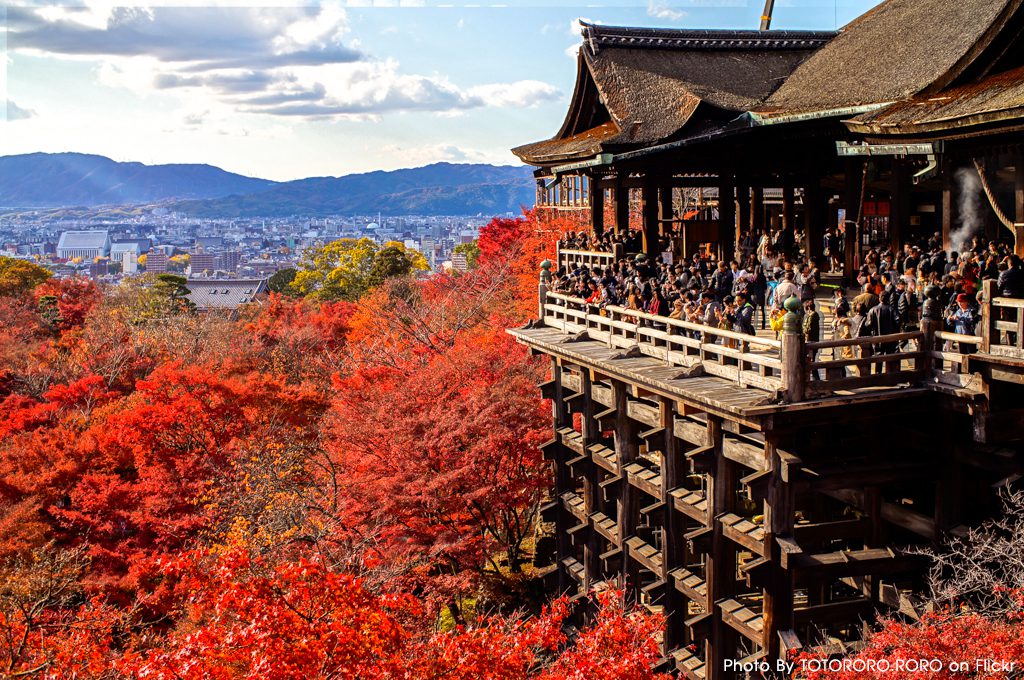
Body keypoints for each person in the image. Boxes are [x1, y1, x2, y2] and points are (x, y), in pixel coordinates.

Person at [803, 298, 822, 380]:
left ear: (809, 308)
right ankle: (815, 377)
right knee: (812, 359)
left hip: (811, 340)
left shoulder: (812, 316)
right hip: (814, 339)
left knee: (811, 360)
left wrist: (803, 329)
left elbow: (808, 328)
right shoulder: (815, 315)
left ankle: (815, 378)